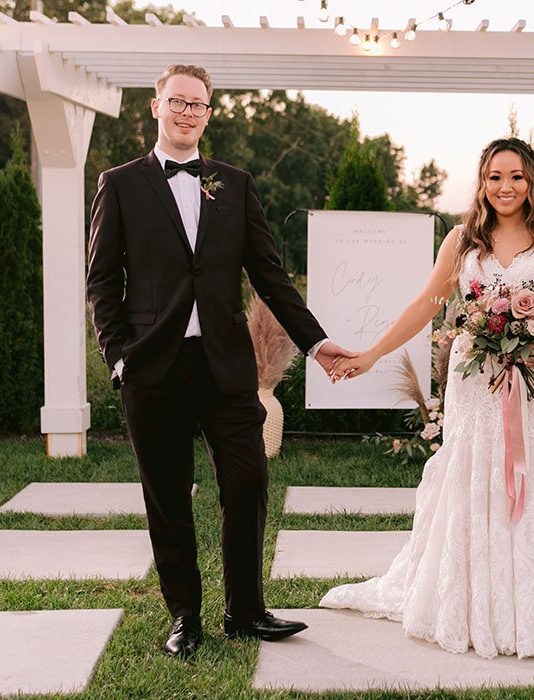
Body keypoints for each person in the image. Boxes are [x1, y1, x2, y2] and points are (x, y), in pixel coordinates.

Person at [87, 64, 352, 658]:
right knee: (168, 495)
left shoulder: (235, 183)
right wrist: (118, 356)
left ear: (209, 114)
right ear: (155, 107)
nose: (187, 112)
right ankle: (185, 615)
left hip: (227, 366)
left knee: (248, 479)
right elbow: (102, 280)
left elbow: (269, 276)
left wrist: (315, 342)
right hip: (152, 369)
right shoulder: (121, 183)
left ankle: (246, 610)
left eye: (198, 105)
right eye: (176, 101)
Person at [321, 138, 534, 660]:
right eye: (495, 176)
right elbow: (425, 306)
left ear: (533, 183)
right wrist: (370, 354)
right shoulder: (461, 241)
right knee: (473, 475)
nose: (505, 187)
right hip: (474, 383)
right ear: (481, 182)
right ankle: (468, 603)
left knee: (528, 478)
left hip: (533, 384)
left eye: (516, 176)